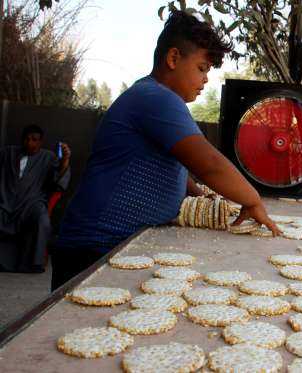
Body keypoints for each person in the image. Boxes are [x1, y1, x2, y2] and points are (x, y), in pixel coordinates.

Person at [51, 11, 280, 291]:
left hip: (115, 246)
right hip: (94, 249)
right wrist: (252, 200)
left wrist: (200, 195)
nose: (205, 79)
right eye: (202, 68)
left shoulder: (154, 98)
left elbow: (173, 167)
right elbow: (208, 163)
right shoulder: (156, 99)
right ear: (173, 59)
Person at [0, 125, 71, 273]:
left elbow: (58, 177)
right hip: (5, 201)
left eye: (34, 140)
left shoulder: (48, 157)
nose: (30, 143)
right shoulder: (8, 152)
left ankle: (34, 264)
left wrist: (65, 160)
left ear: (41, 142)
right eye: (27, 139)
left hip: (31, 203)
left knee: (42, 219)